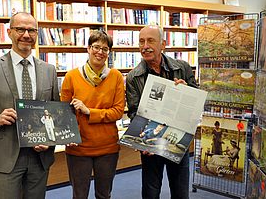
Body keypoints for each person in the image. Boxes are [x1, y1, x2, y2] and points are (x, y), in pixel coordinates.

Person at [0, 12, 59, 199]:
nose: (26, 35)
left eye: (31, 30)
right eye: (20, 29)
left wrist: (49, 141)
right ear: (9, 32)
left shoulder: (48, 70)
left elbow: (55, 112)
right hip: (6, 155)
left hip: (39, 156)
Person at [126, 25, 197, 199]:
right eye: (141, 41)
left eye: (151, 40)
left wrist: (188, 92)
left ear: (163, 44)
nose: (145, 46)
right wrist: (143, 141)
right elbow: (135, 113)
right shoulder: (133, 77)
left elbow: (196, 103)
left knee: (180, 192)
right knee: (151, 192)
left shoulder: (183, 68)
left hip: (177, 139)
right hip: (151, 142)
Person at [61, 30, 125, 199]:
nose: (100, 52)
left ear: (109, 53)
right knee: (79, 195)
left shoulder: (116, 76)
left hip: (107, 147)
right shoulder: (71, 76)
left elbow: (118, 111)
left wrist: (90, 112)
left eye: (105, 49)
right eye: (96, 47)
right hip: (78, 147)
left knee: (104, 194)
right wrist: (68, 135)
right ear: (88, 49)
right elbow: (63, 112)